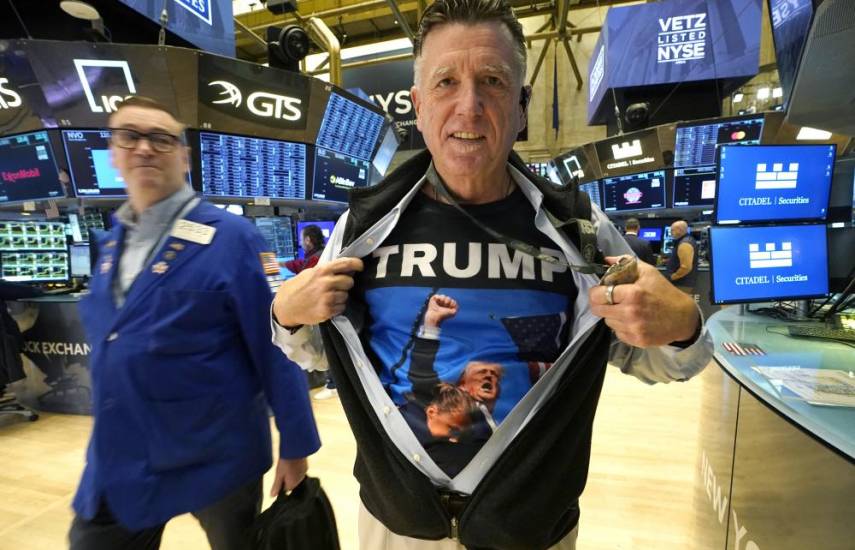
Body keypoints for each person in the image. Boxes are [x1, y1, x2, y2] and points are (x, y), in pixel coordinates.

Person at [271, 2, 712, 548]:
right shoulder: (364, 226)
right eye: (446, 82)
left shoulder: (576, 229)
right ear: (417, 105)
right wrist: (285, 316)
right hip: (397, 526)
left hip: (531, 528)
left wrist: (684, 323)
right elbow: (322, 352)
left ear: (523, 106)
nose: (469, 106)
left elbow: (647, 356)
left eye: (493, 81)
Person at [69, 96, 320, 550]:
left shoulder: (234, 239)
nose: (145, 148)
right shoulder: (108, 246)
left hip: (217, 456)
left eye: (161, 139)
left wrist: (296, 444)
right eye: (130, 136)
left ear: (183, 157)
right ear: (113, 153)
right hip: (123, 454)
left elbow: (274, 345)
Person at [282, 224, 338, 401]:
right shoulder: (318, 255)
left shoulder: (316, 260)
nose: (301, 243)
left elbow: (306, 275)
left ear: (308, 240)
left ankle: (333, 384)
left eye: (302, 239)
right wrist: (278, 263)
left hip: (324, 309)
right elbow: (299, 265)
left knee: (326, 345)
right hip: (328, 307)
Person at [666, 220, 699, 294]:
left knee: (676, 305)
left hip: (681, 284)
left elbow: (686, 267)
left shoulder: (685, 244)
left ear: (679, 230)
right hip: (681, 282)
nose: (670, 232)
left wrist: (672, 277)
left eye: (672, 230)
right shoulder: (685, 240)